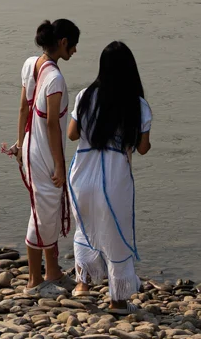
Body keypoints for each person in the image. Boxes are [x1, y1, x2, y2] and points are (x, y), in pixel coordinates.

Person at [65, 41, 152, 309]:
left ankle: (83, 283)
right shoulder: (137, 105)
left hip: (83, 173)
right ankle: (118, 299)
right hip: (115, 177)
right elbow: (143, 148)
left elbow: (71, 134)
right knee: (117, 235)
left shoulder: (85, 96)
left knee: (86, 226)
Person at [8, 18, 80, 289]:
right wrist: (60, 166)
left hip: (29, 148)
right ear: (62, 43)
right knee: (43, 213)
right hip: (44, 155)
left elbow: (23, 109)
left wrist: (18, 143)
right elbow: (52, 124)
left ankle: (52, 272)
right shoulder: (56, 79)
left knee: (45, 209)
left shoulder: (31, 64)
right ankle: (34, 280)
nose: (74, 51)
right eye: (73, 46)